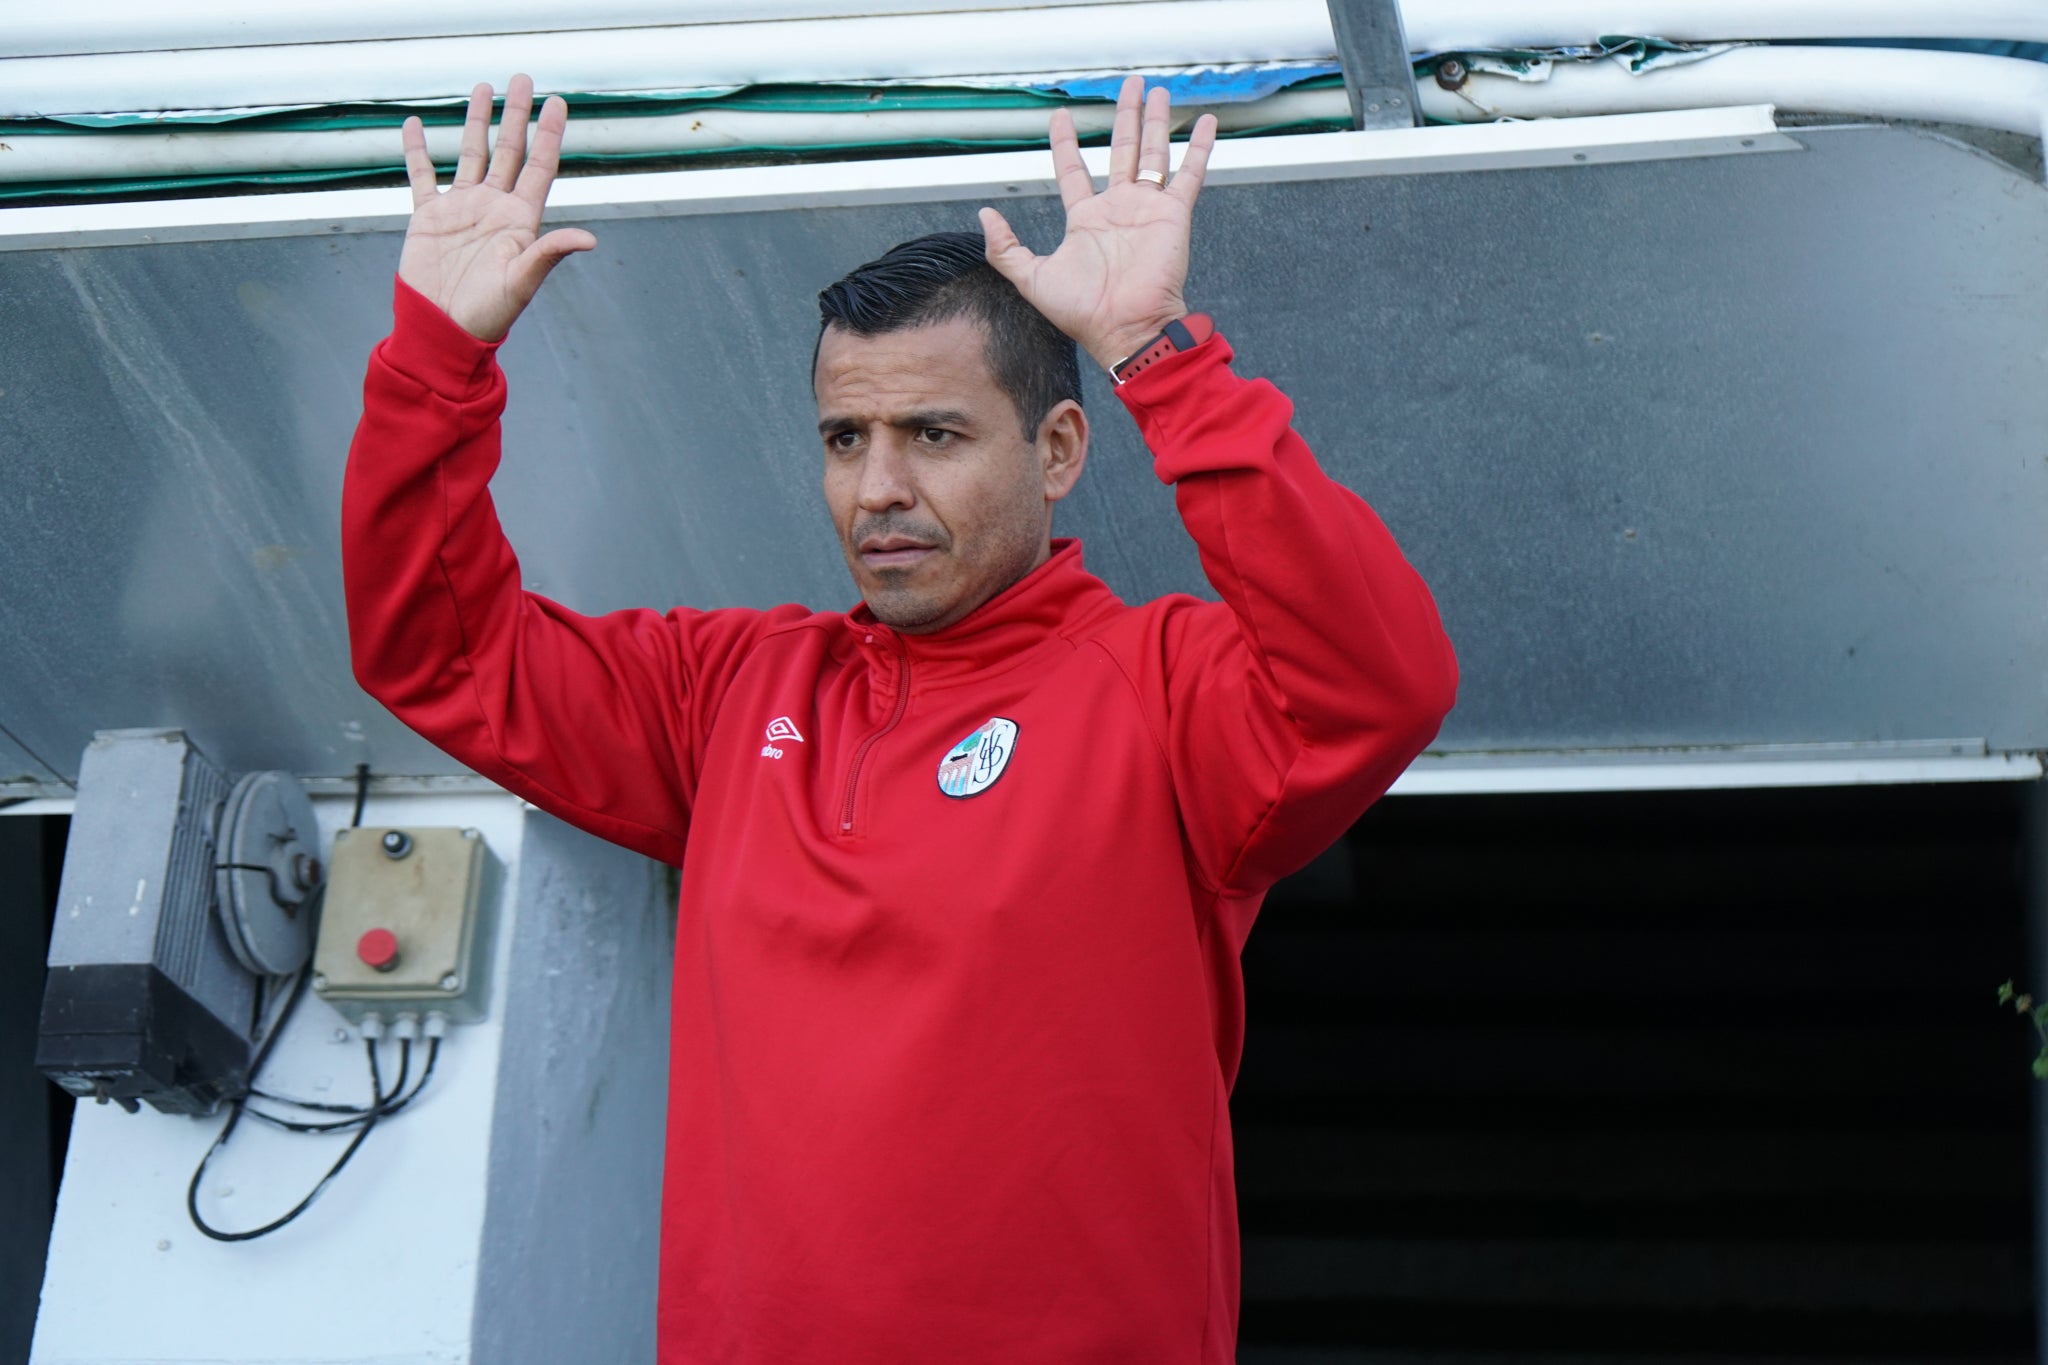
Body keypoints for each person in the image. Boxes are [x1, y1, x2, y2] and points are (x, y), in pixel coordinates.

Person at [344, 71, 1457, 1365]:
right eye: (843, 437)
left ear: (1055, 451)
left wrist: (1159, 355)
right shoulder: (730, 691)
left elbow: (1380, 680)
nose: (878, 487)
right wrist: (437, 355)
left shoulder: (1164, 692)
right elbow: (437, 648)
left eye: (933, 433)